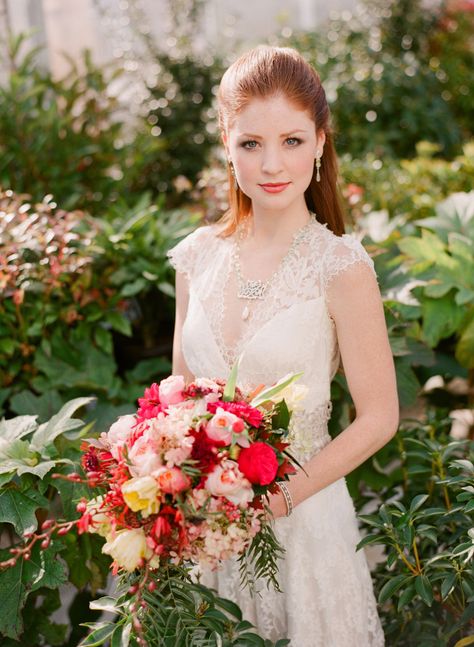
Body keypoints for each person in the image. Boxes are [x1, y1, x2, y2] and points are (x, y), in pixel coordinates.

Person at [167, 45, 398, 647]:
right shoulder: (195, 257)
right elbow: (180, 398)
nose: (272, 164)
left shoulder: (341, 266)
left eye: (293, 141)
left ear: (321, 142)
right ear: (226, 141)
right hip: (206, 528)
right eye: (251, 143)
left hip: (307, 522)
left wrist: (275, 504)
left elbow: (379, 418)